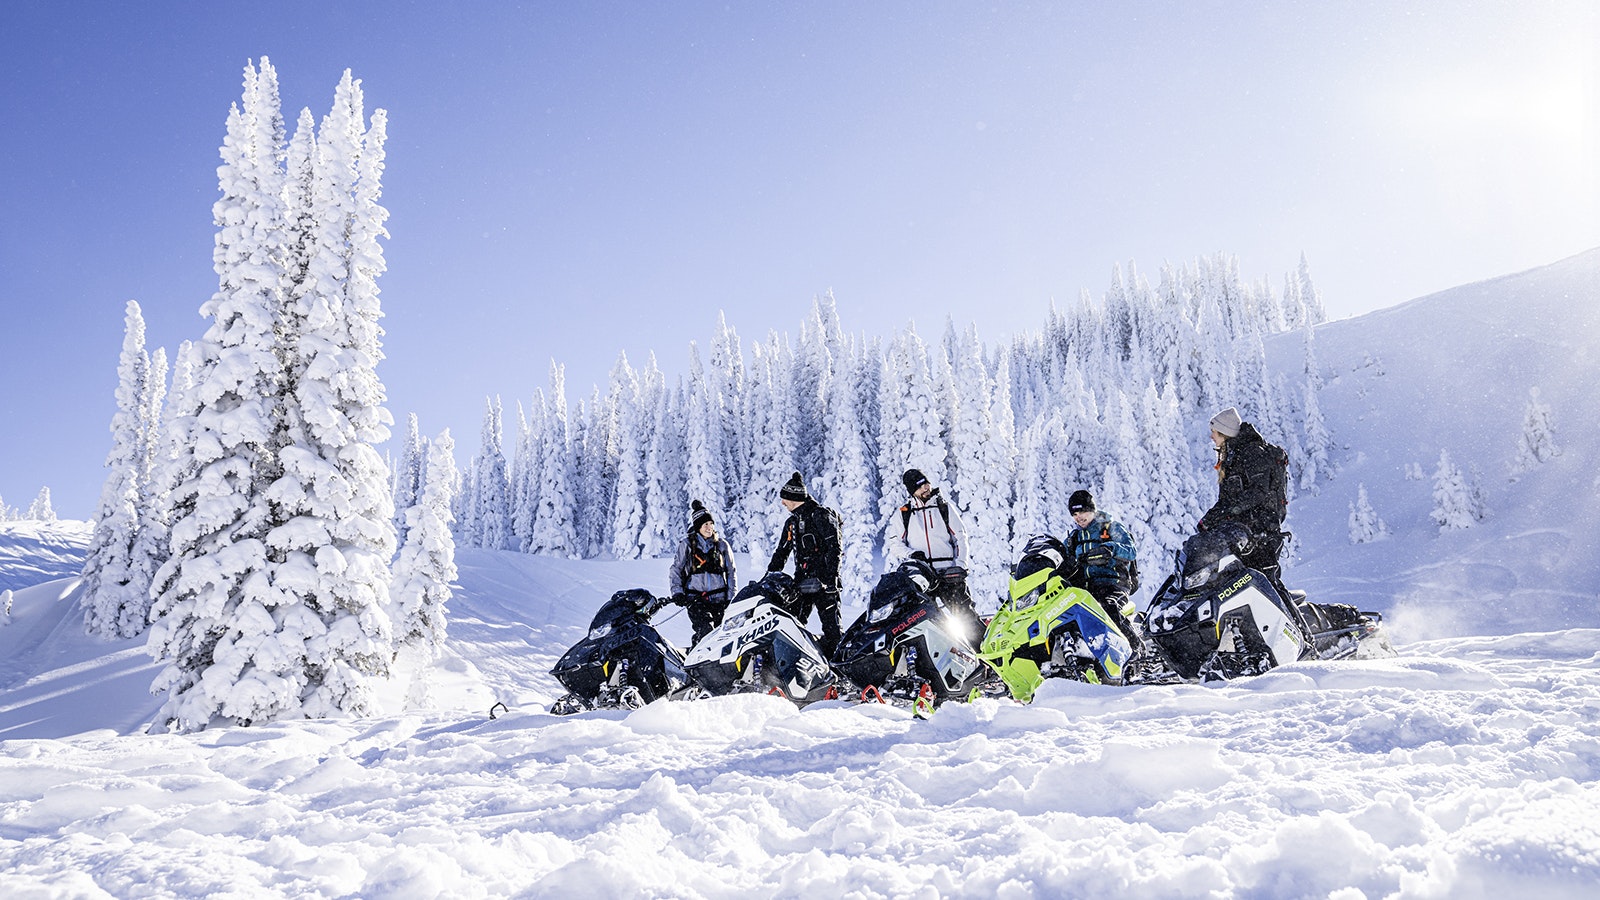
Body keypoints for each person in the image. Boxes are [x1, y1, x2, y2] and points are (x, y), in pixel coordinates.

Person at [1197, 407, 1291, 591]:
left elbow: (1257, 493)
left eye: (1214, 432)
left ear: (1225, 433)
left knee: (1265, 585)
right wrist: (1209, 520)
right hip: (1243, 534)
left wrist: (1228, 513)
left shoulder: (1252, 453)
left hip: (1260, 533)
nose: (1211, 437)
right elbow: (1228, 500)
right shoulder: (1233, 456)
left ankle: (1293, 619)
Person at [766, 472, 844, 656]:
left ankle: (839, 671)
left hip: (825, 583)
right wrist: (769, 576)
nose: (783, 503)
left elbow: (835, 547)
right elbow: (781, 552)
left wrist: (831, 579)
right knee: (791, 625)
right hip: (801, 582)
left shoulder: (821, 515)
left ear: (794, 498)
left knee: (832, 629)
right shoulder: (792, 522)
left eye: (785, 499)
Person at [893, 467, 978, 626]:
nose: (925, 488)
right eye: (919, 486)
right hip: (923, 577)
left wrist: (960, 565)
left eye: (926, 483)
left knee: (967, 619)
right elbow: (895, 544)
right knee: (929, 624)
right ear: (912, 491)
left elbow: (960, 537)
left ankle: (981, 649)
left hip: (949, 574)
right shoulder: (904, 513)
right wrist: (912, 555)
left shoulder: (944, 507)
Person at [1064, 489, 1143, 650]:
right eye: (1074, 515)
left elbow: (1131, 550)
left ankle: (1136, 649)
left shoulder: (1110, 527)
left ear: (1091, 509)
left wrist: (1111, 548)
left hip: (1114, 584)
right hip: (1086, 589)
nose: (1078, 518)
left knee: (1108, 608)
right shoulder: (1074, 538)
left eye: (1081, 512)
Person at [668, 500, 738, 647]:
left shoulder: (722, 545)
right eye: (705, 524)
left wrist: (731, 597)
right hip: (695, 599)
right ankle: (695, 663)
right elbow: (676, 570)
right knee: (706, 631)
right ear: (698, 526)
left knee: (722, 636)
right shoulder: (686, 545)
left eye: (711, 524)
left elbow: (731, 572)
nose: (709, 527)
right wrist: (677, 593)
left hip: (719, 599)